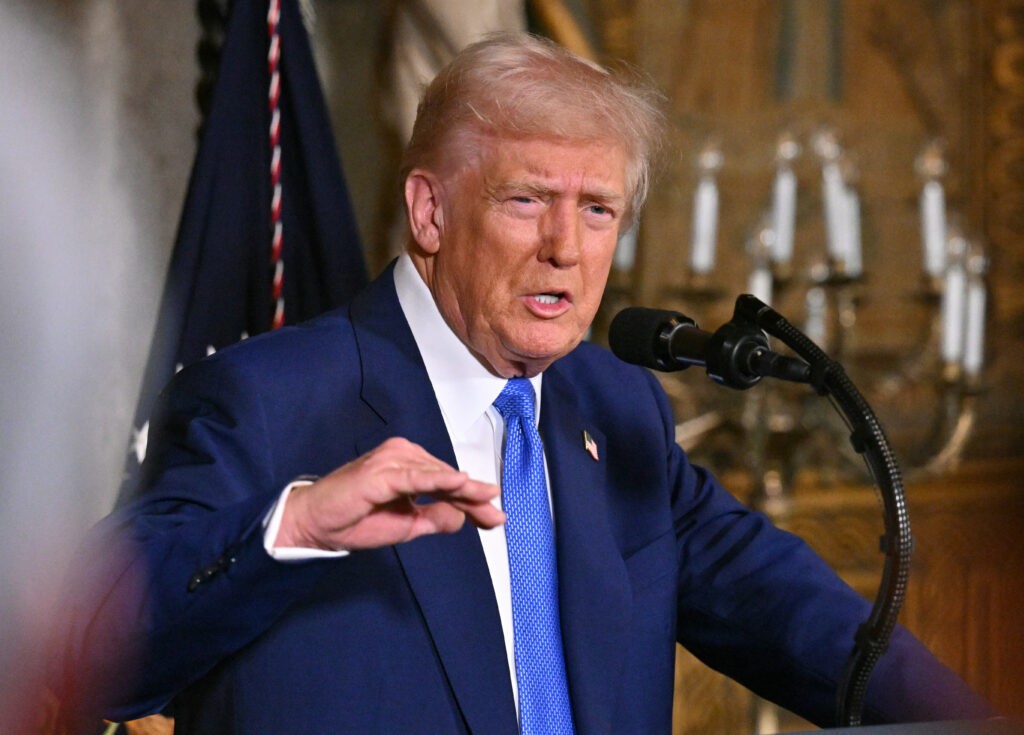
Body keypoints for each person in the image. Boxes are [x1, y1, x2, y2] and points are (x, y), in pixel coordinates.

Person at [56, 32, 996, 734]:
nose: (566, 248)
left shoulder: (616, 408)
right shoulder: (270, 399)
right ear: (429, 210)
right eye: (527, 200)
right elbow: (94, 650)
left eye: (598, 210)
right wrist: (295, 524)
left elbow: (789, 613)